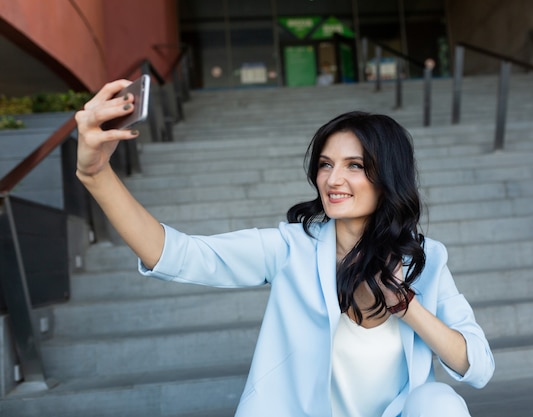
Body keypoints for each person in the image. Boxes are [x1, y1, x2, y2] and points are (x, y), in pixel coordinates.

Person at [75, 80, 495, 417]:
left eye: (354, 165)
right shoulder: (290, 248)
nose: (332, 179)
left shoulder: (428, 259)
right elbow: (179, 254)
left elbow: (477, 367)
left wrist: (406, 307)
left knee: (438, 403)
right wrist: (95, 174)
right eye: (326, 164)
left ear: (388, 176)